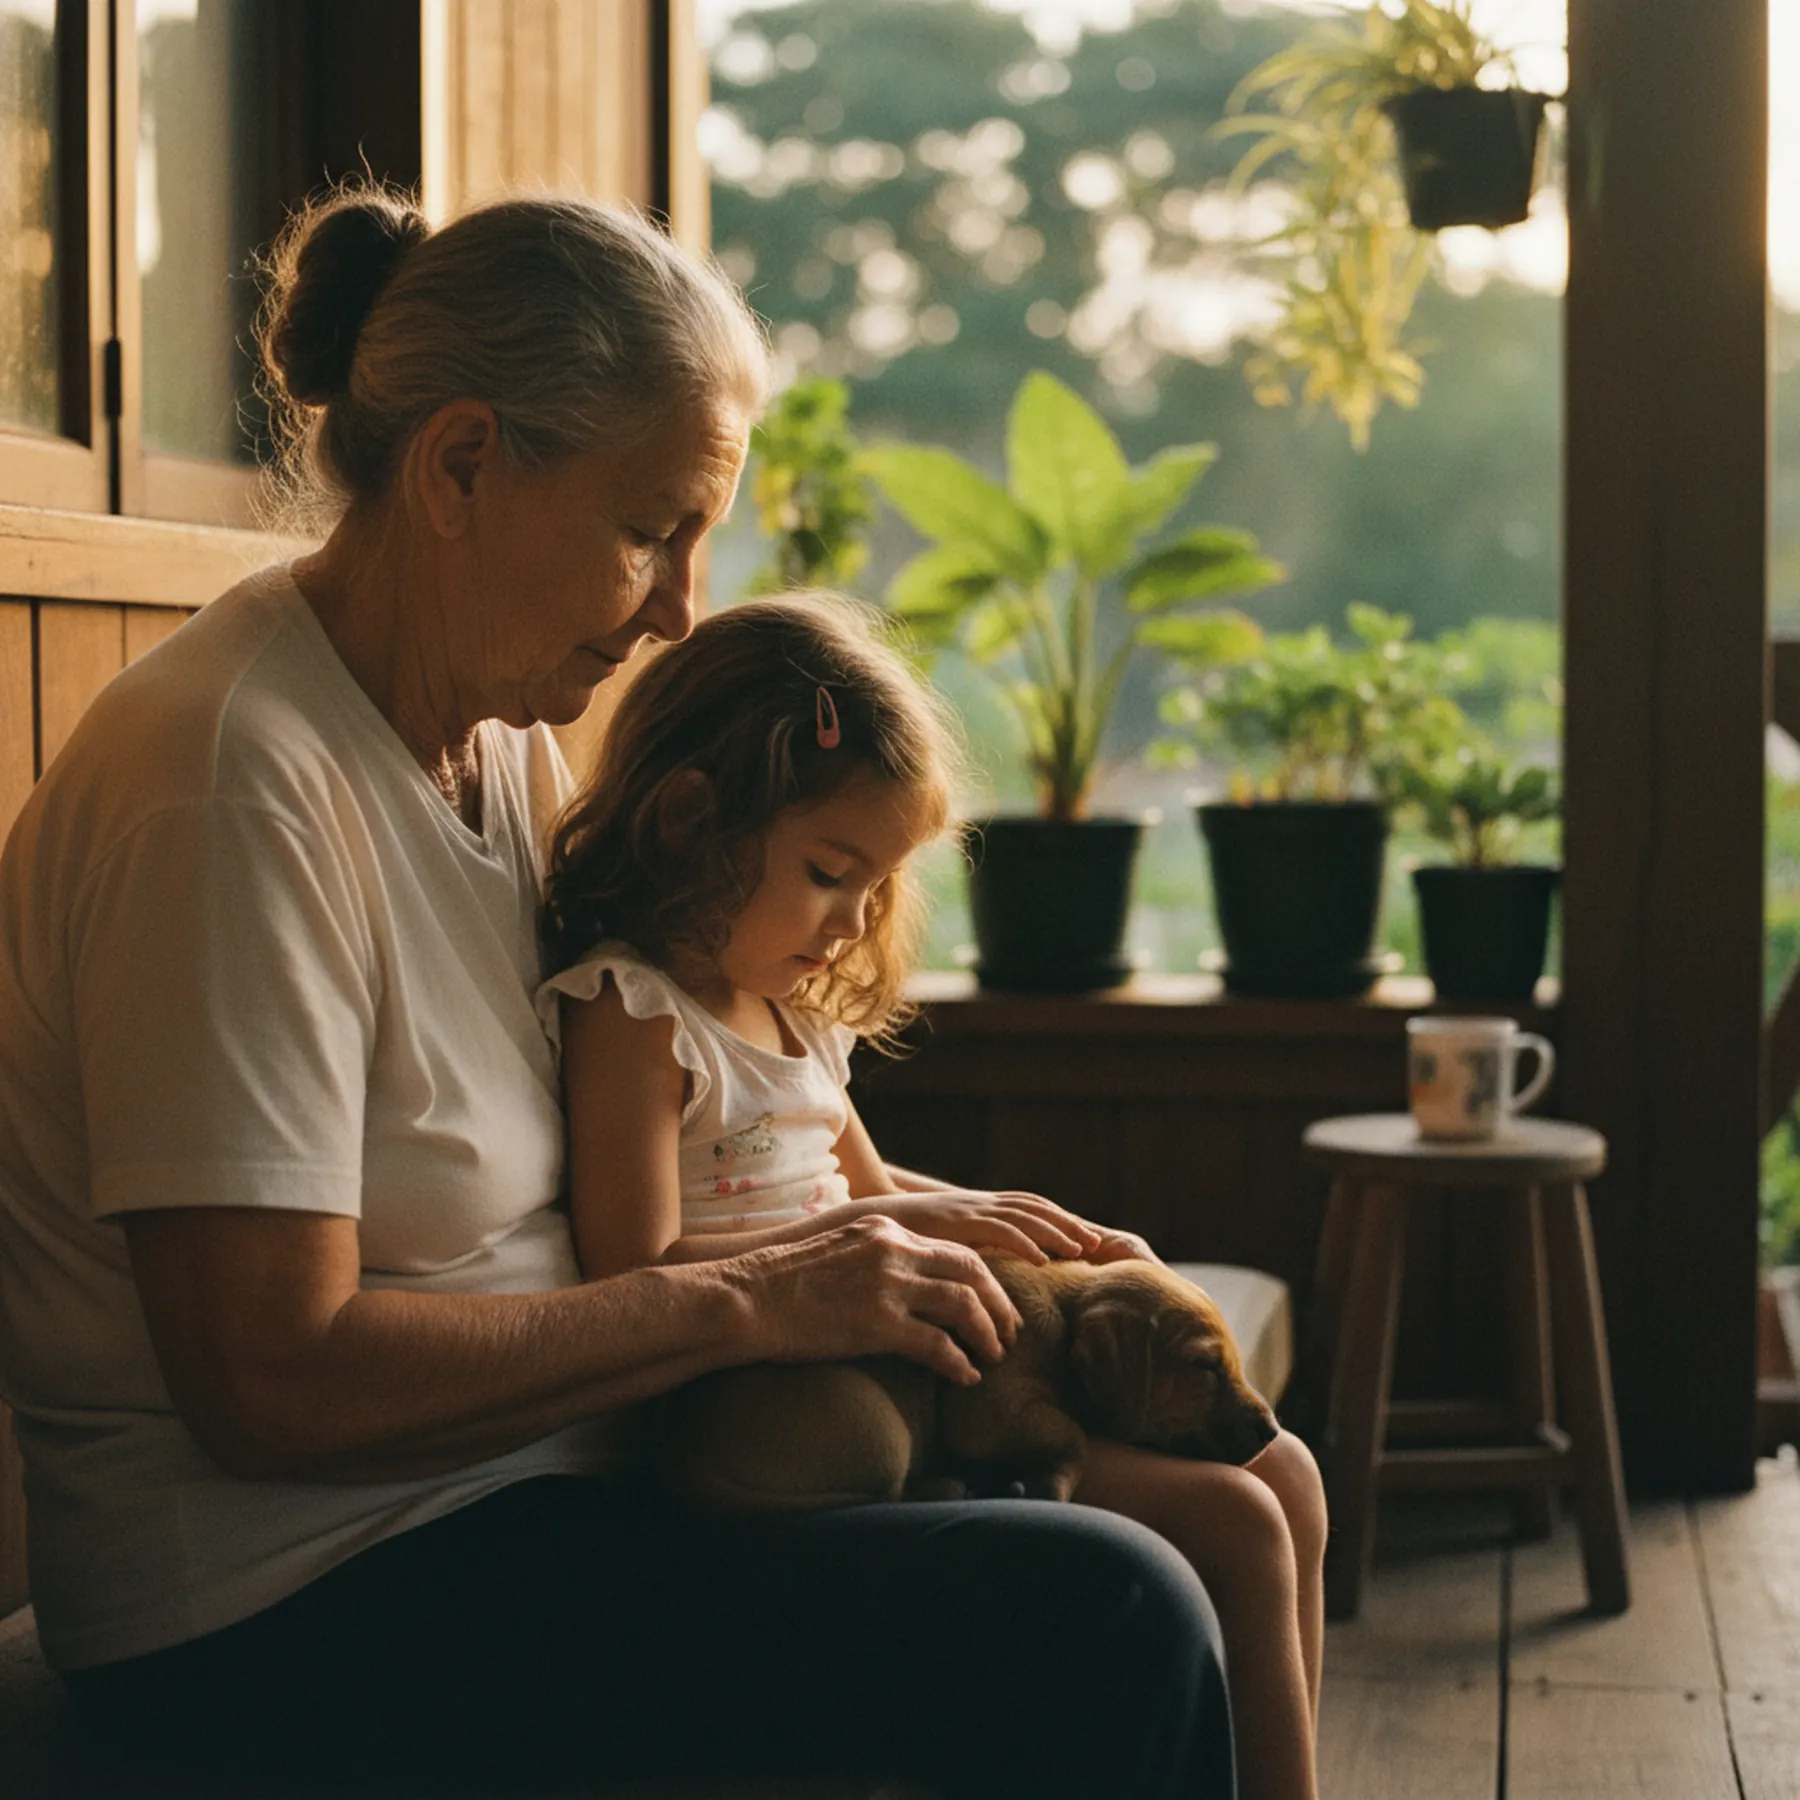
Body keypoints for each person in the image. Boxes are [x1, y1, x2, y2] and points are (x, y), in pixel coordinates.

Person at [0, 183, 1237, 1799]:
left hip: (549, 1490)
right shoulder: (231, 786)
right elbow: (267, 1382)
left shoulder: (500, 751)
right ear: (460, 468)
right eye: (652, 531)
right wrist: (757, 1297)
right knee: (1109, 1614)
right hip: (291, 1606)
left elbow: (687, 1144)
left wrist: (931, 1230)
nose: (679, 608)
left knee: (1132, 1502)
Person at [540, 593, 1327, 1800]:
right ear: (693, 825)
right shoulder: (635, 1013)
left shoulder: (791, 1018)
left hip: (923, 1356)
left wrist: (1030, 1225)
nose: (856, 920)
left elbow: (879, 1190)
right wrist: (892, 1226)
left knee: (1291, 1480)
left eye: (878, 884)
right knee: (1239, 1521)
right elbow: (630, 1273)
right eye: (829, 872)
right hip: (806, 1413)